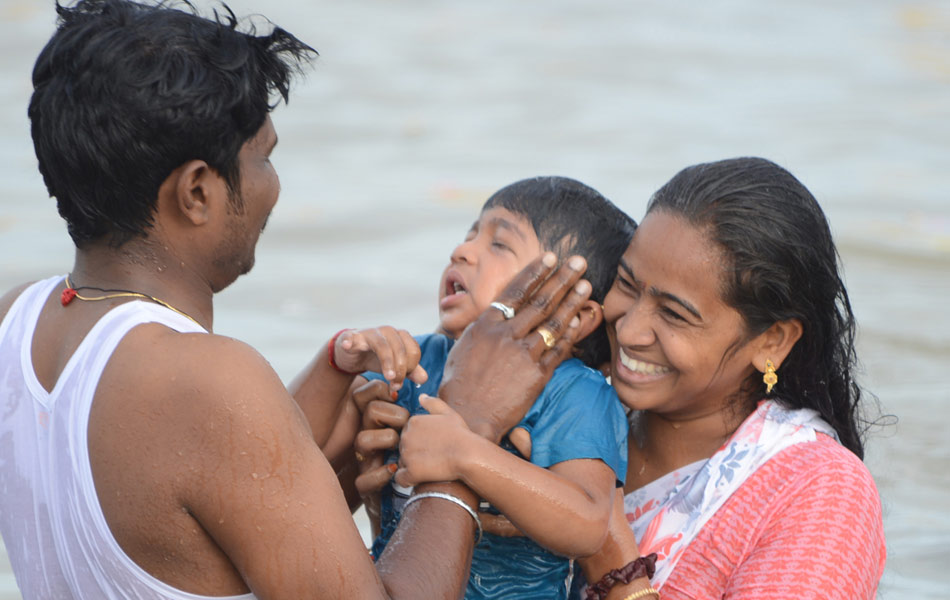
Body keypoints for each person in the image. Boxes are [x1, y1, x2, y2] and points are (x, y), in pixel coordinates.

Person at [0, 1, 596, 598]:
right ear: (197, 192)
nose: (272, 185)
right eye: (264, 155)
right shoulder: (207, 380)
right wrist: (470, 421)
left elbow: (221, 486)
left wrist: (334, 376)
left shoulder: (17, 321)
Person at [394, 157, 887, 600]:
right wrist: (400, 482)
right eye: (627, 284)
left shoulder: (820, 493)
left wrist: (612, 565)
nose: (628, 329)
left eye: (674, 314)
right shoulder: (566, 410)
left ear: (772, 341)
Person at [306, 177, 636, 600]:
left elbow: (588, 523)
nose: (461, 251)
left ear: (575, 316)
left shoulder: (577, 394)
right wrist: (338, 366)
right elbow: (297, 462)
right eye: (470, 234)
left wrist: (467, 454)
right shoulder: (418, 359)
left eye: (499, 244)